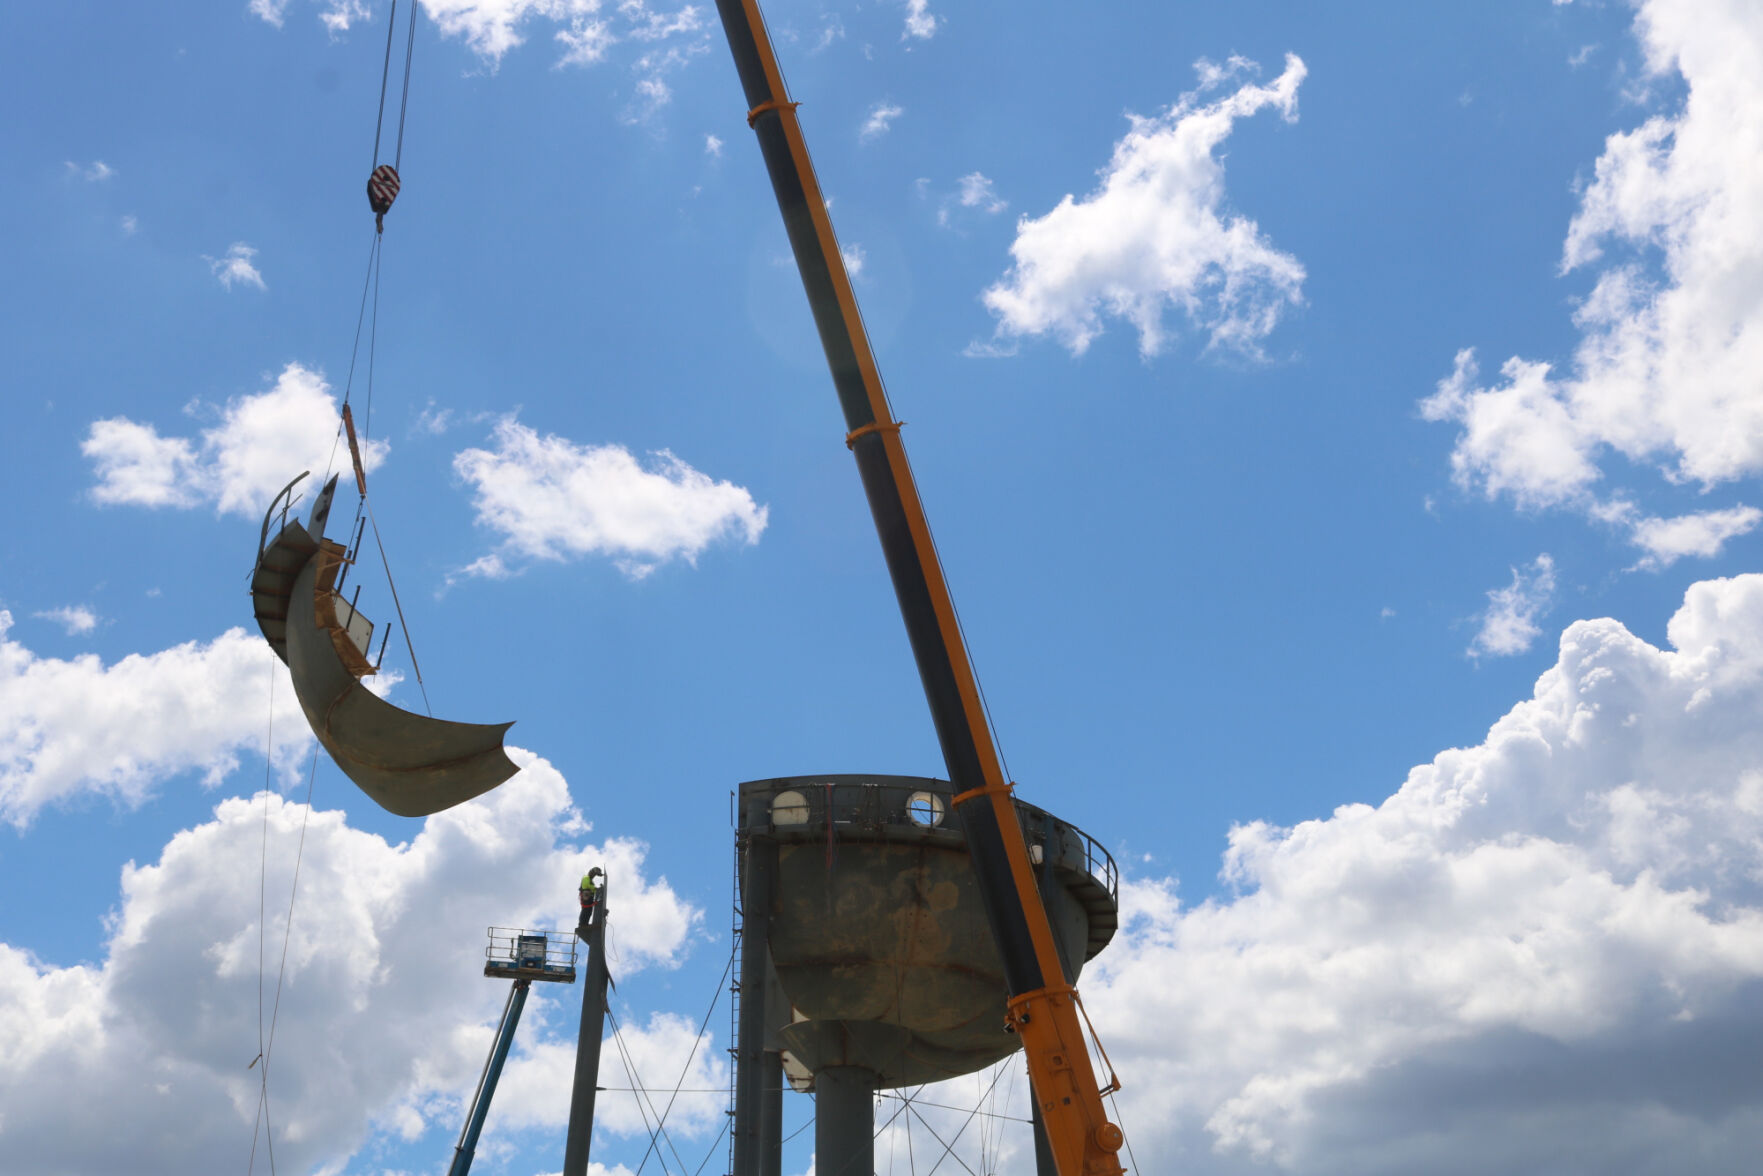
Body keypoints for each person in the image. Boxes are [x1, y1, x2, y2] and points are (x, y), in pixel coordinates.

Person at [577, 866, 604, 932]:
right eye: (594, 874)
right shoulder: (586, 878)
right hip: (586, 896)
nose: (594, 876)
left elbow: (593, 889)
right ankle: (582, 924)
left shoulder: (590, 880)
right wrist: (595, 889)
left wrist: (597, 890)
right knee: (585, 910)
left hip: (589, 897)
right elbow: (587, 885)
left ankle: (585, 924)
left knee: (589, 911)